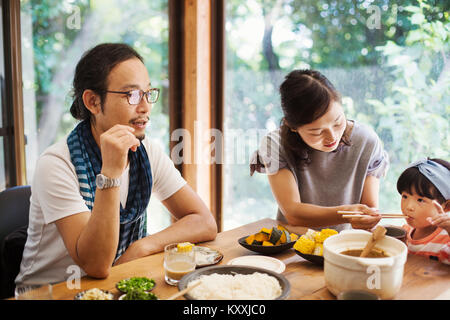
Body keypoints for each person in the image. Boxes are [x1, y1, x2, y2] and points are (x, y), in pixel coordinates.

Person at [15, 43, 217, 286]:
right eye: (131, 95)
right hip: (52, 291)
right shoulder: (56, 164)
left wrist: (142, 247)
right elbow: (96, 264)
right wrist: (110, 172)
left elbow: (204, 221)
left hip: (116, 282)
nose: (145, 107)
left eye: (148, 93)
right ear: (93, 102)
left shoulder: (146, 151)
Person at [250, 69, 388, 231]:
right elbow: (293, 213)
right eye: (317, 132)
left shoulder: (366, 141)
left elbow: (369, 210)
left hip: (344, 245)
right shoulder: (275, 145)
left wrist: (367, 218)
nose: (332, 137)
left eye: (337, 123)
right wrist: (344, 213)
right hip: (293, 246)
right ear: (292, 126)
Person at [397, 158, 450, 264]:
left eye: (420, 200)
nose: (409, 207)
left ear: (446, 206)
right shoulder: (404, 233)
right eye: (405, 196)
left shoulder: (445, 239)